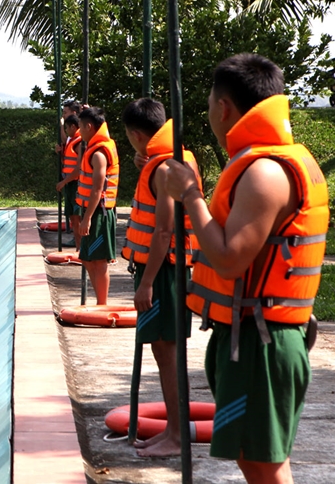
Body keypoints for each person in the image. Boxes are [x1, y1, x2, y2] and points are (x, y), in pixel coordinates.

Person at [165, 54, 327, 483]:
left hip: (263, 341)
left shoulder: (265, 173)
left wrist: (190, 196)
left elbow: (231, 259)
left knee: (263, 466)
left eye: (208, 106)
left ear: (223, 108)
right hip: (249, 335)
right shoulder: (266, 162)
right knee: (255, 459)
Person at [120, 98, 201, 458]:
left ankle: (177, 435)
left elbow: (164, 230)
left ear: (137, 135)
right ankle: (172, 429)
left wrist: (147, 281)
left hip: (165, 270)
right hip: (169, 268)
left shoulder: (165, 167)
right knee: (163, 349)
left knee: (167, 352)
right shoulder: (173, 156)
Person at [75, 106, 119, 305]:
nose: (79, 132)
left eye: (81, 128)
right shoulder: (96, 145)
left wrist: (87, 218)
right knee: (87, 258)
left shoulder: (99, 153)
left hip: (98, 212)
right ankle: (99, 302)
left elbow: (97, 189)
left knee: (99, 261)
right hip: (91, 210)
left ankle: (102, 304)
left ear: (90, 127)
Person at [56, 113, 84, 250]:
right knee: (73, 218)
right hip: (70, 184)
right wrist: (61, 153)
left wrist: (64, 182)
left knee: (77, 218)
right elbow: (67, 162)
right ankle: (79, 248)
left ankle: (81, 248)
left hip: (76, 185)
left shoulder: (79, 142)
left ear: (73, 127)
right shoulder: (71, 141)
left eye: (66, 128)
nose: (66, 131)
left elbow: (79, 168)